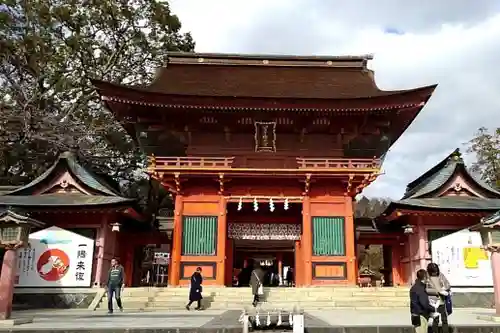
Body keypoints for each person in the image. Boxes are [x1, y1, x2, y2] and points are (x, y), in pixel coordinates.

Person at [426, 263, 451, 333]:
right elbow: (425, 289)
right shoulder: (426, 277)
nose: (435, 273)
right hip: (432, 302)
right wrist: (437, 291)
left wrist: (444, 289)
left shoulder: (441, 275)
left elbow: (448, 285)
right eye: (434, 272)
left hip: (441, 301)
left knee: (444, 319)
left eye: (436, 272)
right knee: (435, 319)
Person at [410, 269, 436, 333]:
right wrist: (433, 309)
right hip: (421, 316)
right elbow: (424, 303)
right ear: (424, 277)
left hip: (415, 315)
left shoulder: (414, 287)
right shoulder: (420, 288)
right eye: (427, 277)